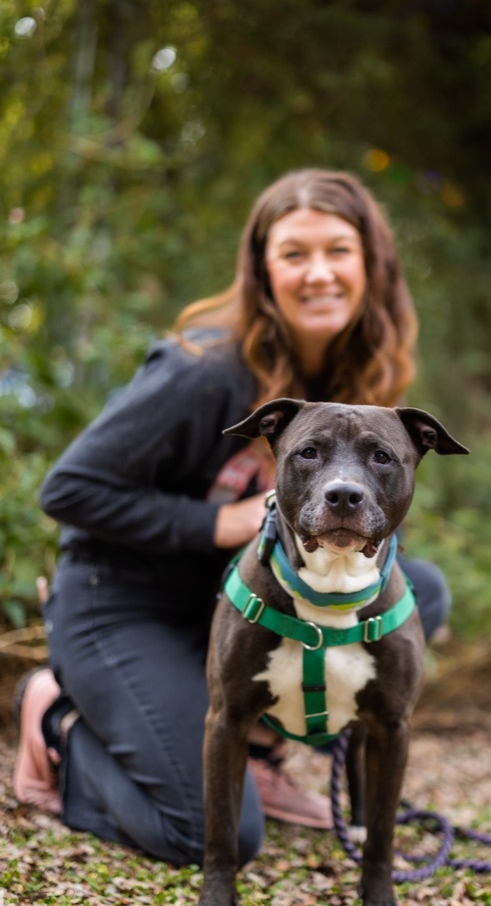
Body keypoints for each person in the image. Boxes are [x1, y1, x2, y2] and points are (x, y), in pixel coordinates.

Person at [13, 168, 454, 869]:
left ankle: (252, 742)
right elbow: (68, 489)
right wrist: (229, 523)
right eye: (294, 254)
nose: (319, 274)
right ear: (260, 269)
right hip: (123, 601)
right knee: (205, 834)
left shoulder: (355, 376)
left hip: (229, 598)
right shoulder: (204, 371)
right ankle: (62, 723)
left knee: (414, 593)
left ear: (372, 264)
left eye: (338, 251)